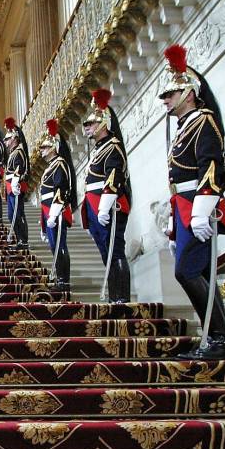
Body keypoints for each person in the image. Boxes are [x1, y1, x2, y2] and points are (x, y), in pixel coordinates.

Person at [160, 44, 225, 360]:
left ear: (189, 93)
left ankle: (220, 337)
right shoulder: (185, 128)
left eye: (170, 94)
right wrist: (174, 224)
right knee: (201, 274)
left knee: (186, 271)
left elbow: (210, 168)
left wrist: (201, 212)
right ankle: (218, 340)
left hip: (198, 205)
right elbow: (176, 180)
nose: (165, 100)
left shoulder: (204, 122)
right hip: (184, 206)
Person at [81, 89, 131, 303]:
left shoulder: (113, 147)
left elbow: (113, 177)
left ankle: (122, 297)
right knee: (105, 251)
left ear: (104, 124)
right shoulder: (100, 149)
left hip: (108, 205)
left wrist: (104, 207)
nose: (87, 127)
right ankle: (114, 295)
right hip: (95, 204)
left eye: (91, 123)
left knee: (115, 250)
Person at [38, 118, 77, 291]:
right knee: (54, 246)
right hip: (48, 210)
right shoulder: (51, 166)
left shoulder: (60, 164)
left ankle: (63, 280)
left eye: (44, 147)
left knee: (59, 245)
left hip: (56, 210)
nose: (41, 150)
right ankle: (60, 278)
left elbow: (61, 189)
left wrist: (53, 213)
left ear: (53, 147)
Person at [2, 117, 29, 245]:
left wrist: (14, 183)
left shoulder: (19, 152)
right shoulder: (13, 153)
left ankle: (23, 239)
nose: (5, 141)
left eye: (7, 139)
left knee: (18, 214)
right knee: (11, 215)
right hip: (10, 187)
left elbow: (19, 169)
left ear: (14, 138)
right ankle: (19, 238)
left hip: (15, 186)